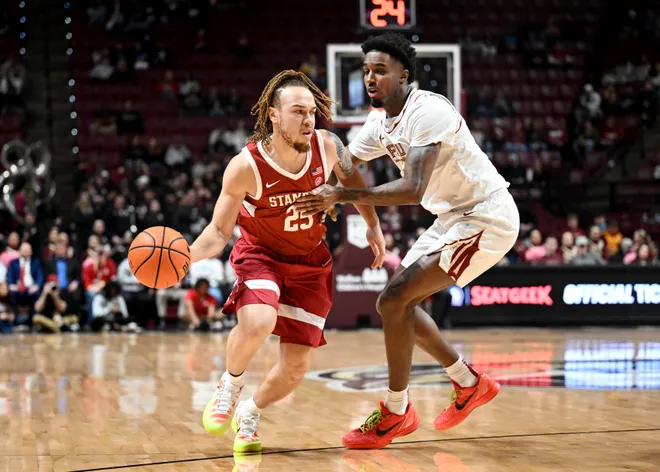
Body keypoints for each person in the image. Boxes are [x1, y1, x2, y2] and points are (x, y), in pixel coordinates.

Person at [294, 33, 520, 449]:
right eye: (366, 71)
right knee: (394, 304)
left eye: (380, 70)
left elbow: (414, 188)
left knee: (395, 300)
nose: (370, 78)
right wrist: (310, 162)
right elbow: (345, 163)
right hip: (451, 217)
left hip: (486, 215)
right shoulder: (379, 122)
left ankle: (397, 411)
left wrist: (341, 196)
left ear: (404, 75)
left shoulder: (428, 110)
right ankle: (468, 383)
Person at [189, 70, 385, 453]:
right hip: (261, 255)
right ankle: (230, 385)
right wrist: (186, 257)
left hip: (311, 262)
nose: (309, 119)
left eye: (312, 111)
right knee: (259, 321)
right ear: (273, 116)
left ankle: (249, 412)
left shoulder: (328, 145)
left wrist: (373, 225)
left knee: (295, 369)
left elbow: (354, 182)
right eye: (298, 111)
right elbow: (217, 231)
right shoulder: (246, 166)